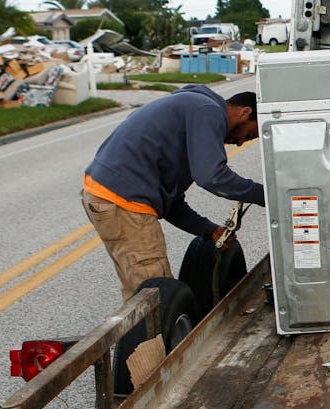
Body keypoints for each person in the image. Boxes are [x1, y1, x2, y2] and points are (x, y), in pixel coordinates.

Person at [81, 85, 266, 300]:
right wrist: (267, 195)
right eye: (250, 134)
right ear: (245, 112)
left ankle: (140, 334)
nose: (241, 142)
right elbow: (212, 177)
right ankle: (154, 335)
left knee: (138, 292)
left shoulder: (192, 110)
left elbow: (169, 200)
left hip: (105, 195)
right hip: (124, 203)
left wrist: (208, 230)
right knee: (156, 298)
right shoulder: (207, 111)